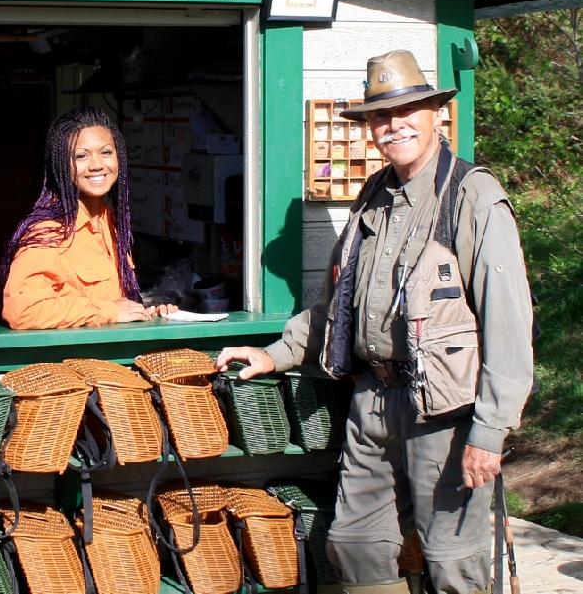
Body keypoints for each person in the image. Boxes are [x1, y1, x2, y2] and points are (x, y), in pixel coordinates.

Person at [217, 50, 534, 594]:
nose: (394, 125)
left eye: (409, 111)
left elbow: (508, 321)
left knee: (452, 559)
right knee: (355, 544)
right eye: (381, 117)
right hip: (374, 400)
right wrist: (276, 353)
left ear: (437, 115)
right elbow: (337, 302)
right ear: (369, 128)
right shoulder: (374, 197)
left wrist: (490, 429)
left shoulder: (472, 196)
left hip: (447, 412)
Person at [0, 106, 175, 329]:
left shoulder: (109, 221)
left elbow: (116, 306)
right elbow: (22, 311)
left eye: (106, 152)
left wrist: (149, 313)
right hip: (70, 362)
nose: (97, 165)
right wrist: (108, 311)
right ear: (61, 165)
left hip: (109, 360)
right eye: (81, 156)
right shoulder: (49, 230)